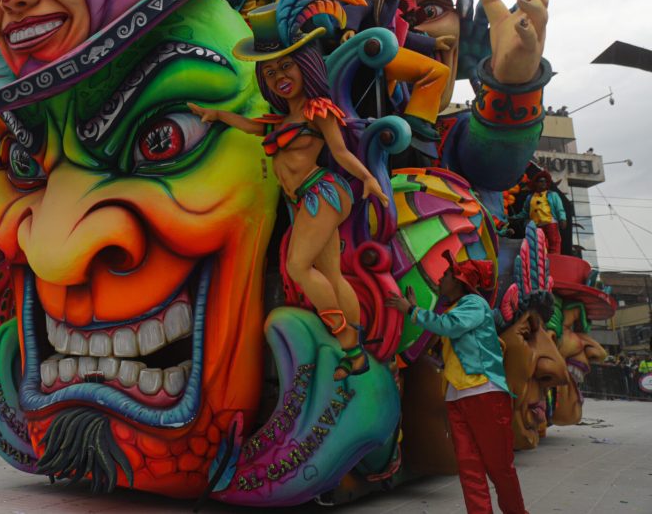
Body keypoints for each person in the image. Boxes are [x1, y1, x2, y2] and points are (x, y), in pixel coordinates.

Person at [189, 41, 387, 380]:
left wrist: (368, 178)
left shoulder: (318, 111)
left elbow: (339, 153)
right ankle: (355, 353)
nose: (279, 75)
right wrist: (219, 115)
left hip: (320, 193)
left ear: (304, 67)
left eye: (285, 66)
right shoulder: (282, 121)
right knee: (332, 274)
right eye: (270, 71)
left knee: (297, 266)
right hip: (305, 201)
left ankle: (347, 340)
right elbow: (252, 127)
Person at [386, 252, 528, 514]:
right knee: (469, 467)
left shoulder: (474, 304)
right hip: (457, 395)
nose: (441, 278)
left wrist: (411, 310)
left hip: (483, 391)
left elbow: (449, 326)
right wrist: (416, 311)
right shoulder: (454, 309)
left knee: (499, 467)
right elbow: (441, 328)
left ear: (460, 281)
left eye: (446, 274)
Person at [518, 170, 567, 254]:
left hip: (550, 223)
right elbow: (525, 212)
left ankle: (554, 261)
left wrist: (562, 218)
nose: (544, 183)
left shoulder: (552, 194)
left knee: (554, 242)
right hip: (536, 226)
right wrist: (515, 217)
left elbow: (559, 208)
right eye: (541, 181)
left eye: (545, 181)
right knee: (537, 246)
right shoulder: (530, 197)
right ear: (536, 183)